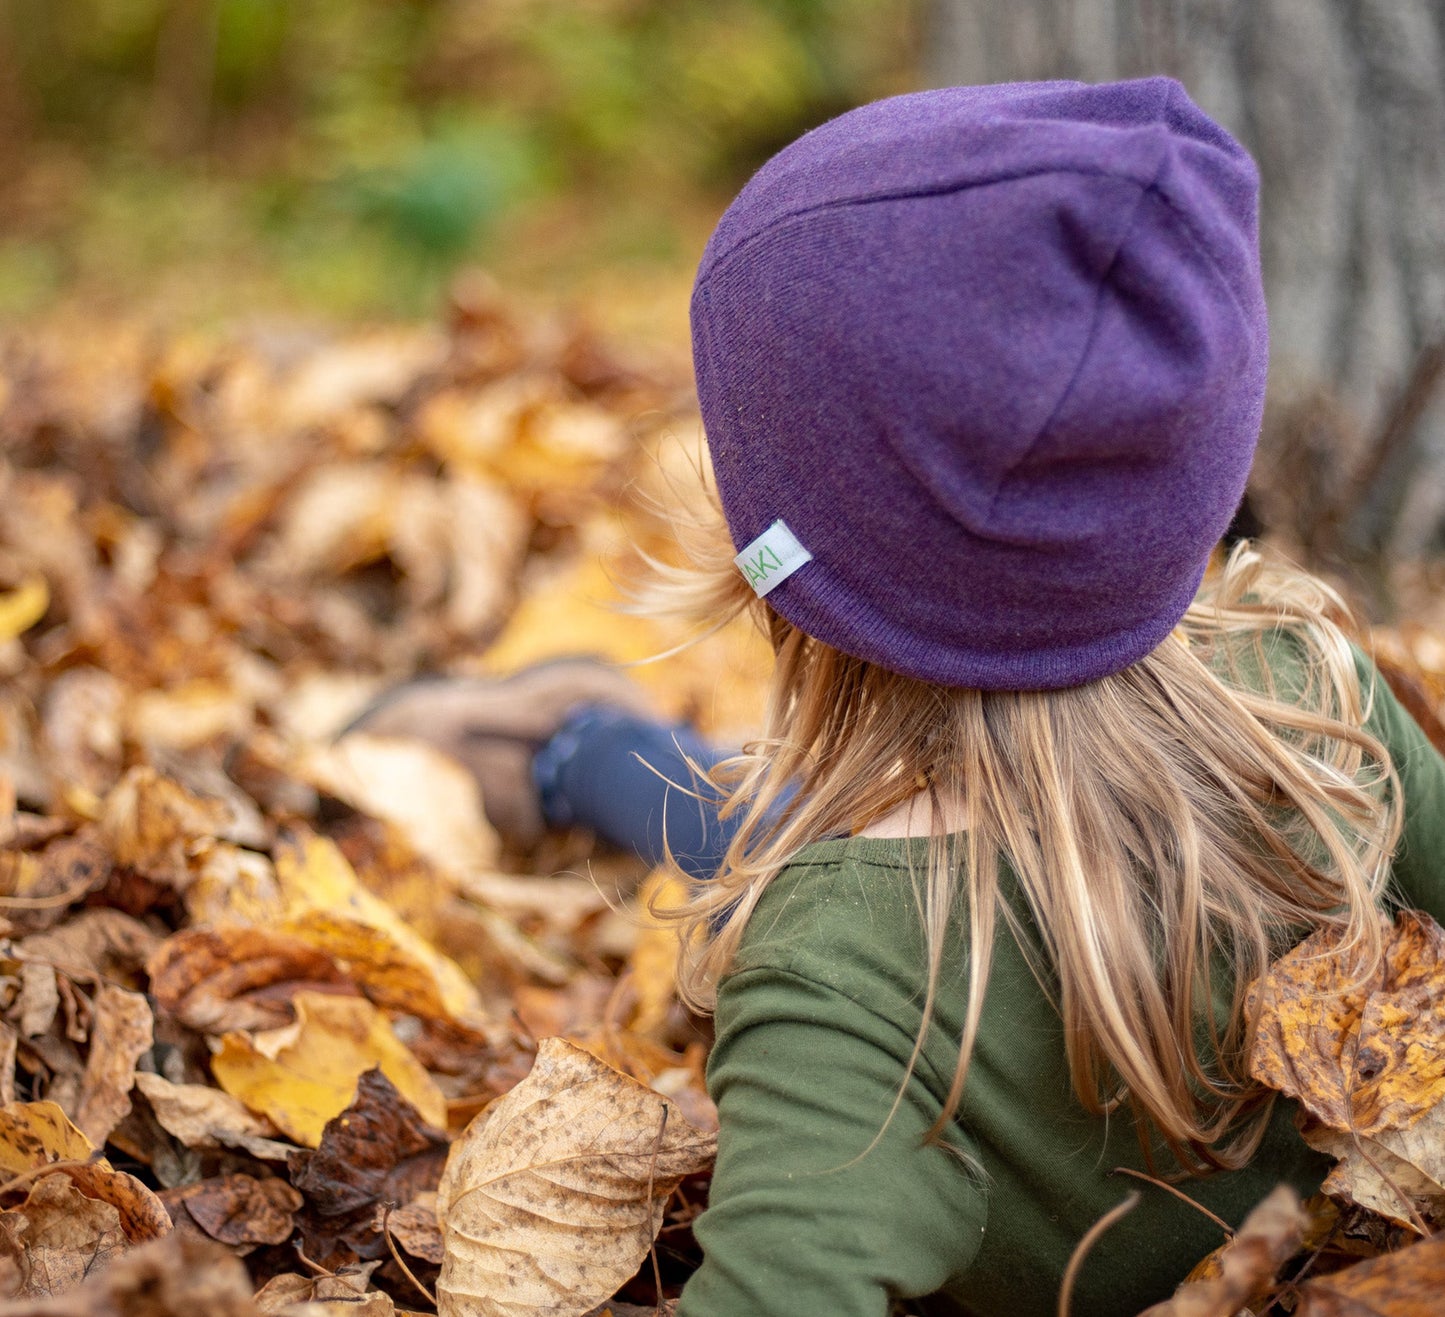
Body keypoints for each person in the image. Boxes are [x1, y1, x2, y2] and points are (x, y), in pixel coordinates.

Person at [351, 78, 1445, 1317]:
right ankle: (572, 744)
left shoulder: (842, 985)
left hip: (890, 908)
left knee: (791, 843)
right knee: (818, 834)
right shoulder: (1311, 697)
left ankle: (573, 746)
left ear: (778, 555)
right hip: (1122, 768)